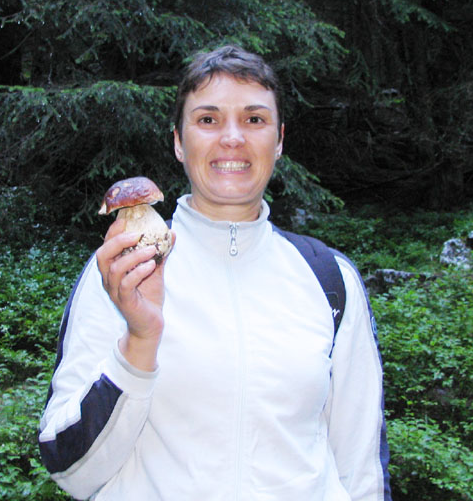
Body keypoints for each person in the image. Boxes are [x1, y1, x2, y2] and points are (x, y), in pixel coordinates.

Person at [38, 45, 392, 500]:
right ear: (178, 141)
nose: (232, 138)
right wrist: (140, 342)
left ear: (279, 140)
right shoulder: (121, 271)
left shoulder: (329, 279)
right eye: (208, 119)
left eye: (254, 119)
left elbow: (361, 469)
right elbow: (71, 470)